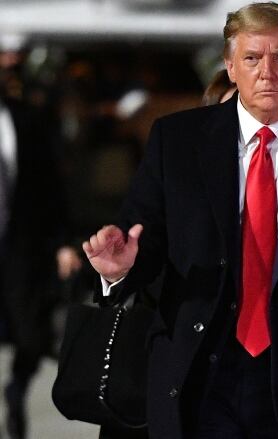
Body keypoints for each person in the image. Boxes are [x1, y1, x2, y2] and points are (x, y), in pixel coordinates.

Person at [81, 2, 278, 438]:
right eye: (252, 58)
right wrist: (121, 271)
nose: (266, 71)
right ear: (230, 66)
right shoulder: (176, 141)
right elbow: (145, 243)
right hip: (198, 377)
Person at [1, 36, 82, 439]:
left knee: (31, 334)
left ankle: (16, 392)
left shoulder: (27, 119)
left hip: (21, 247)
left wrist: (65, 241)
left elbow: (51, 187)